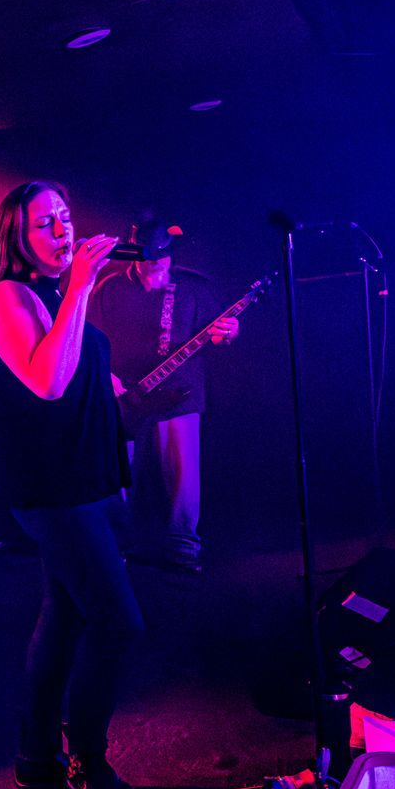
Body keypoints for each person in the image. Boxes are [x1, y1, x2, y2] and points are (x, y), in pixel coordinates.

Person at [0, 181, 154, 789]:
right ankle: (87, 766)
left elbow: (73, 371)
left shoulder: (52, 294)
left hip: (84, 478)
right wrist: (80, 287)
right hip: (52, 490)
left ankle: (36, 759)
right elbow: (46, 382)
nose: (62, 230)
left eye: (66, 217)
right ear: (15, 235)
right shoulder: (4, 297)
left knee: (67, 614)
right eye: (45, 222)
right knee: (118, 621)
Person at [90, 223, 238, 573]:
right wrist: (107, 378)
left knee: (182, 478)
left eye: (161, 256)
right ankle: (122, 546)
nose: (154, 263)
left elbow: (221, 333)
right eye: (146, 256)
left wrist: (228, 335)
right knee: (121, 477)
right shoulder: (108, 289)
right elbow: (86, 338)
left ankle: (183, 548)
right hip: (122, 395)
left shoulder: (193, 287)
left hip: (180, 394)